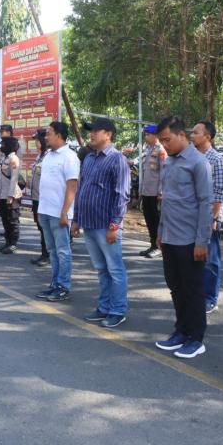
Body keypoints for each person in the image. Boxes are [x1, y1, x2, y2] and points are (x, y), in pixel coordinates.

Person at [153, 117, 213, 359]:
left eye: (167, 140)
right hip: (169, 237)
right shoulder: (169, 162)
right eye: (162, 141)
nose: (164, 145)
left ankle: (196, 338)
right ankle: (181, 330)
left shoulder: (198, 163)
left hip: (190, 240)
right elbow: (166, 200)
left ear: (181, 135)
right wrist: (159, 232)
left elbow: (205, 203)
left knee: (193, 290)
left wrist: (202, 241)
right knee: (175, 287)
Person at [72, 118, 131, 328]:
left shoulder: (117, 160)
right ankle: (104, 307)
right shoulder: (88, 159)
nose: (92, 134)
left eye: (96, 131)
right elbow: (81, 190)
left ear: (109, 134)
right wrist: (76, 219)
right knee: (101, 269)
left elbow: (122, 196)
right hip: (89, 223)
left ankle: (118, 310)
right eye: (91, 131)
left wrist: (115, 226)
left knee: (115, 270)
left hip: (107, 226)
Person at [35, 121, 80, 303]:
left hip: (59, 213)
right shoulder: (48, 156)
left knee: (63, 251)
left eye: (49, 133)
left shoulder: (69, 157)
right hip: (45, 211)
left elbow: (72, 186)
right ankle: (54, 284)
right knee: (52, 251)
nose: (46, 137)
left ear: (59, 135)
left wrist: (65, 212)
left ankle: (63, 286)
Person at [191, 121, 223, 313]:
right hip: (192, 217)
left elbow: (219, 193)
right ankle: (197, 295)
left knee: (211, 260)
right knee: (195, 258)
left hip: (210, 219)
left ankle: (210, 298)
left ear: (208, 136)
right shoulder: (191, 157)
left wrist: (213, 219)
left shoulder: (217, 160)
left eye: (196, 132)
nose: (192, 135)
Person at [138, 125, 166, 258]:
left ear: (156, 136)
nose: (146, 137)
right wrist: (141, 189)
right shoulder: (147, 150)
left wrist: (161, 191)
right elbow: (144, 172)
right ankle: (153, 244)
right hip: (147, 192)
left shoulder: (161, 150)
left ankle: (159, 247)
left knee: (156, 220)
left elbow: (163, 172)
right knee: (149, 219)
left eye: (148, 134)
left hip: (156, 193)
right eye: (146, 134)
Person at [0, 136, 22, 254]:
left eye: (4, 145)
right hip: (2, 195)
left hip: (11, 196)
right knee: (5, 219)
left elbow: (14, 179)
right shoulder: (4, 159)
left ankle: (13, 243)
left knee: (12, 220)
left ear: (9, 146)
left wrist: (10, 196)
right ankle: (7, 242)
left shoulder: (13, 159)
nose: (1, 147)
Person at [29, 129, 50, 267]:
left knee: (45, 228)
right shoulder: (40, 157)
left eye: (37, 140)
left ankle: (47, 255)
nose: (36, 143)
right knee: (41, 227)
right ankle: (44, 253)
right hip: (36, 198)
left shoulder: (48, 156)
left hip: (44, 199)